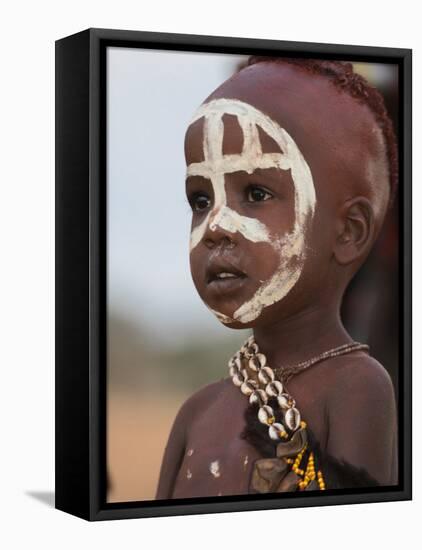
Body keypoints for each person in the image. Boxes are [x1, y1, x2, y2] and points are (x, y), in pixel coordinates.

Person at [155, 57, 398, 499]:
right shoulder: (196, 413)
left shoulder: (356, 387)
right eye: (201, 199)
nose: (216, 226)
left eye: (256, 194)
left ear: (348, 232)